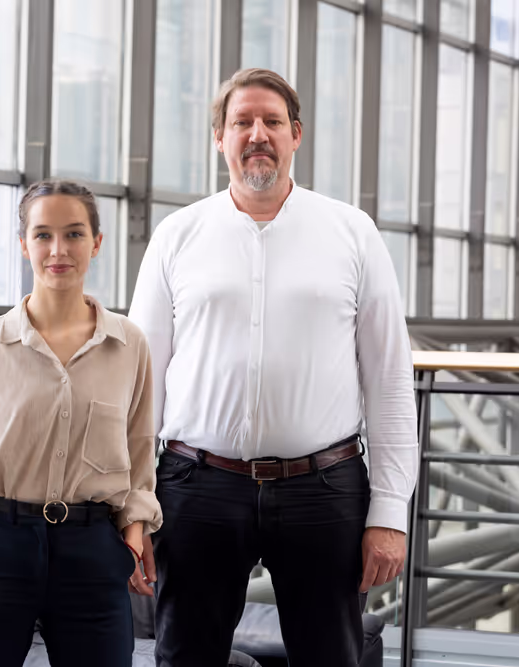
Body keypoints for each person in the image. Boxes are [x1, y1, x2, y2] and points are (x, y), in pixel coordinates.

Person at [128, 68, 419, 667]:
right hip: (195, 485)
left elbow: (389, 381)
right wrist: (132, 502)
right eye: (241, 122)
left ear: (296, 136)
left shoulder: (352, 233)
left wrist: (390, 513)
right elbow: (139, 384)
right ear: (220, 139)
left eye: (271, 122)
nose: (256, 134)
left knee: (329, 658)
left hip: (325, 488)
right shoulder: (177, 235)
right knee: (185, 656)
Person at [0, 179, 161, 667]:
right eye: (43, 235)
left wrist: (135, 531)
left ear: (97, 243)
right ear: (23, 244)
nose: (59, 250)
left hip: (93, 550)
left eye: (74, 235)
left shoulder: (129, 346)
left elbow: (139, 460)